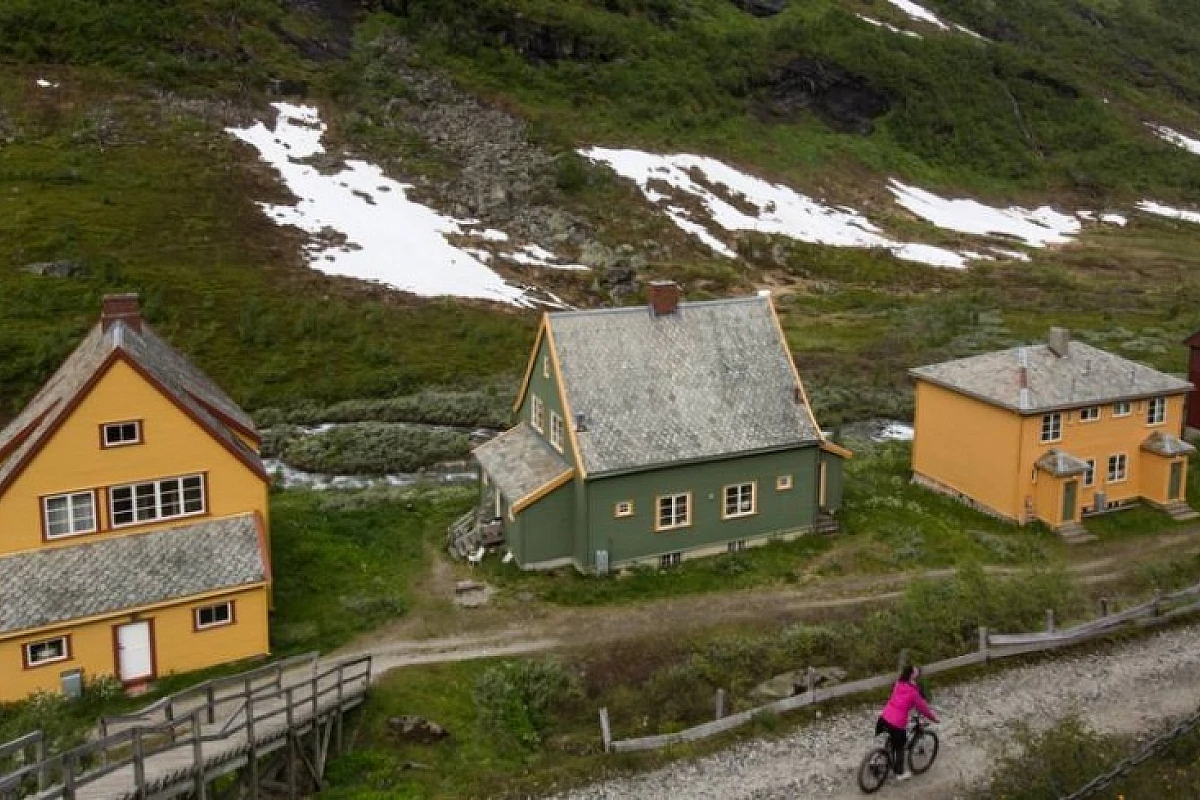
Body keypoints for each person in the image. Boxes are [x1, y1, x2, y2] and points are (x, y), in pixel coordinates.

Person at [875, 665, 939, 781]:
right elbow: (923, 708)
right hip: (896, 722)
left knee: (891, 739)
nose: (917, 672)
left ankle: (879, 759)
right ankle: (899, 773)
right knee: (900, 746)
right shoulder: (914, 692)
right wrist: (934, 718)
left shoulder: (898, 683)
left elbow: (901, 700)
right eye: (915, 671)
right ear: (911, 675)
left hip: (884, 717)